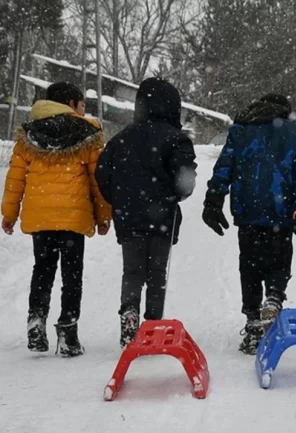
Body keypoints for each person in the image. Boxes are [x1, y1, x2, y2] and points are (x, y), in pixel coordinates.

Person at [1, 82, 112, 357]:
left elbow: (15, 178)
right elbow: (97, 181)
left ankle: (36, 319)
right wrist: (103, 215)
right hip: (73, 218)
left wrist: (9, 213)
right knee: (72, 275)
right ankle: (68, 332)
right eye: (83, 104)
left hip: (41, 218)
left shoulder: (29, 134)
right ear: (72, 104)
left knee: (43, 269)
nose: (85, 110)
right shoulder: (87, 132)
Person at [202, 93, 296, 355]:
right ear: (285, 111)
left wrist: (213, 200)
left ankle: (253, 324)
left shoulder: (241, 130)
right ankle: (274, 298)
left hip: (248, 209)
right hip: (282, 209)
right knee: (280, 259)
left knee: (250, 264)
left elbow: (224, 167)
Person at [96, 77, 197, 348]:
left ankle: (129, 314)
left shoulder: (121, 139)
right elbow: (185, 182)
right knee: (156, 273)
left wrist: (118, 200)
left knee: (132, 271)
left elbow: (103, 175)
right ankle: (152, 325)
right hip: (162, 217)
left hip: (129, 217)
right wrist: (177, 195)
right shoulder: (176, 139)